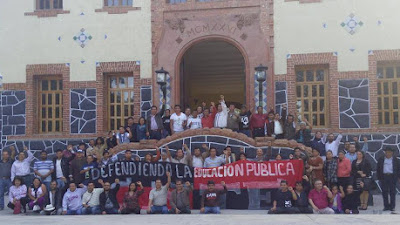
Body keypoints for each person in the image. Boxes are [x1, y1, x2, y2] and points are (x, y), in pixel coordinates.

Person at [376, 147, 400, 211]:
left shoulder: (396, 160)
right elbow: (378, 169)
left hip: (392, 177)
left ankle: (392, 206)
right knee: (384, 192)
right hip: (384, 177)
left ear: (392, 153)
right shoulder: (381, 159)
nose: (388, 153)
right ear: (385, 152)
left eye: (389, 152)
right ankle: (386, 206)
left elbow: (398, 169)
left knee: (392, 192)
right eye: (387, 152)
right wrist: (379, 178)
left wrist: (398, 177)